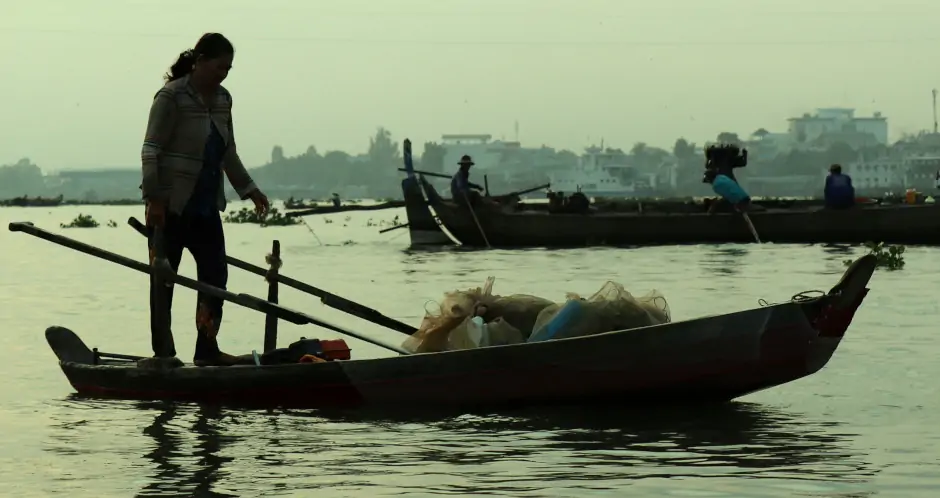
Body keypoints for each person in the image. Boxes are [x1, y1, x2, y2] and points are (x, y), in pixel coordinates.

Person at [141, 32, 270, 366]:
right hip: (171, 206)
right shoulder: (172, 97)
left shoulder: (224, 99)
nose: (223, 74)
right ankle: (164, 354)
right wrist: (154, 199)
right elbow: (150, 150)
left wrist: (251, 190)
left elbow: (228, 153)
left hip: (206, 208)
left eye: (228, 68)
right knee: (163, 281)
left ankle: (207, 351)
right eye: (218, 67)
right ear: (199, 62)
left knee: (215, 279)